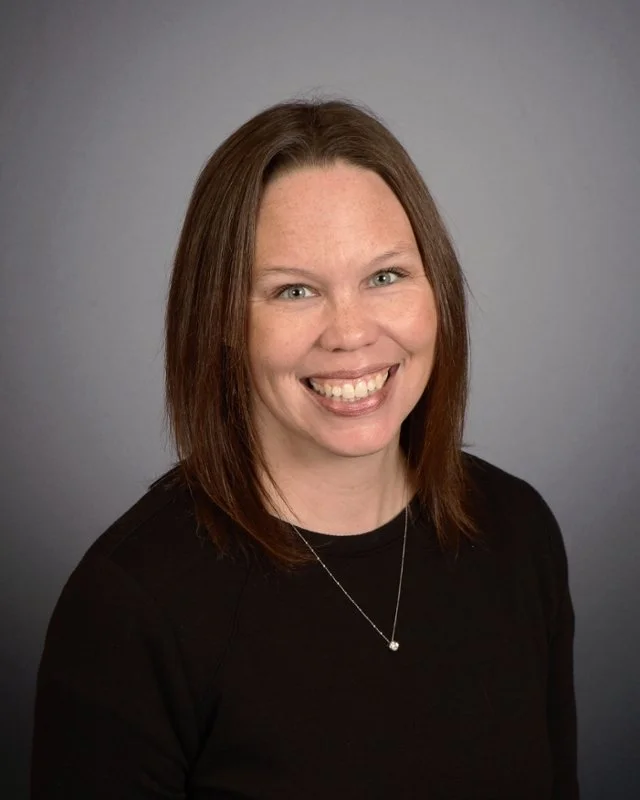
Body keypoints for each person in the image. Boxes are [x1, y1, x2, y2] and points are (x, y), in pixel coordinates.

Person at [31, 99, 578, 799]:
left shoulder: (518, 530)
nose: (350, 334)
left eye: (385, 277)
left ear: (435, 289)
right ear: (223, 321)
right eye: (293, 291)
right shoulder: (129, 608)